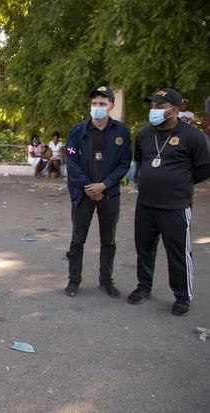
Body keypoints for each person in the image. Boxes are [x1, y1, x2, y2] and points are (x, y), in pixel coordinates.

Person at [127, 88, 210, 316]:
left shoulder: (192, 136)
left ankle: (182, 296)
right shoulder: (144, 135)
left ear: (174, 109)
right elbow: (140, 161)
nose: (153, 110)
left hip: (175, 206)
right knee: (144, 249)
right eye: (152, 106)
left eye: (160, 106)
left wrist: (177, 182)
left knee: (178, 253)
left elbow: (203, 168)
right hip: (145, 204)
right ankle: (144, 287)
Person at [64, 86, 131, 298]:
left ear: (111, 105)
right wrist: (89, 187)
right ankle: (74, 280)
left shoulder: (121, 132)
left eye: (102, 103)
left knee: (108, 240)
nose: (98, 107)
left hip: (109, 194)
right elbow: (71, 163)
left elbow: (124, 163)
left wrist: (104, 185)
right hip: (82, 194)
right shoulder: (77, 131)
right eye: (94, 103)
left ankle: (106, 281)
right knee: (77, 240)